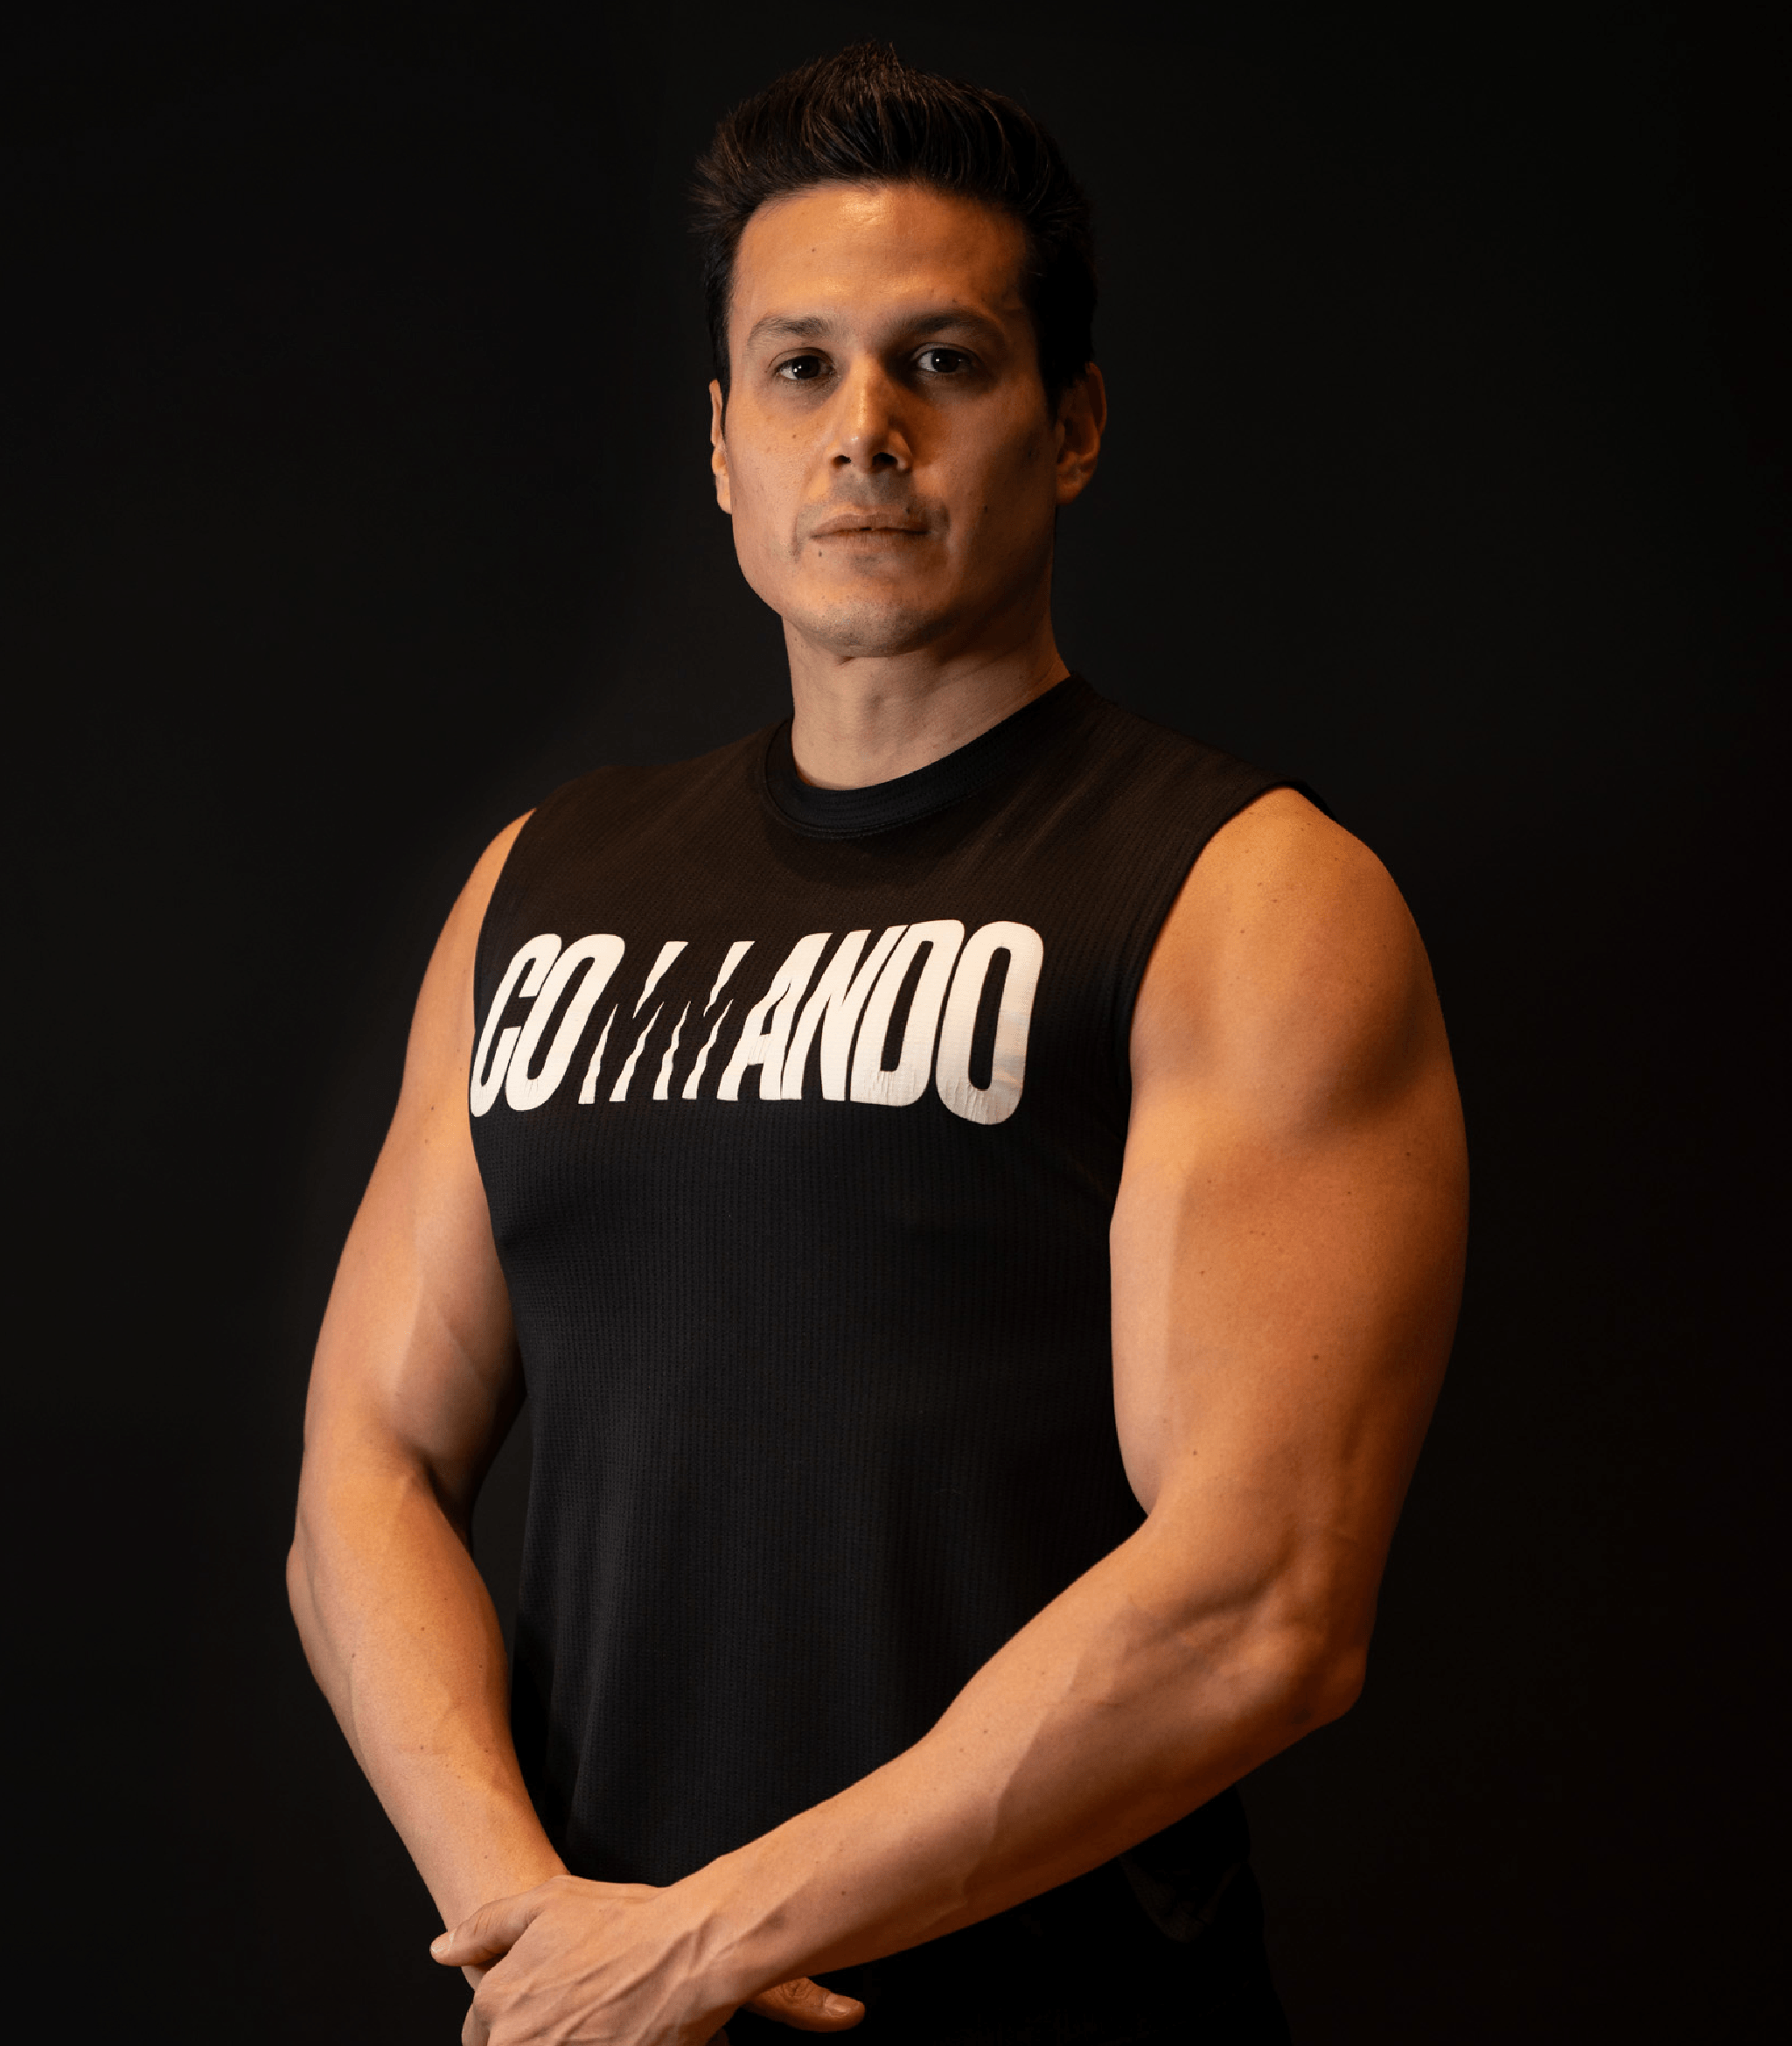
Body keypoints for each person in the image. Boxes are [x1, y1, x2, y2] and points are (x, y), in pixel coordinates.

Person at [288, 42, 1467, 2046]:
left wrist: (704, 1938)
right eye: (800, 368)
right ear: (719, 442)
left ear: (1071, 425)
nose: (865, 433)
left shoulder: (1241, 893)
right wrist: (533, 1925)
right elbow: (363, 1472)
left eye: (944, 361)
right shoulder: (541, 884)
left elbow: (1261, 1597)